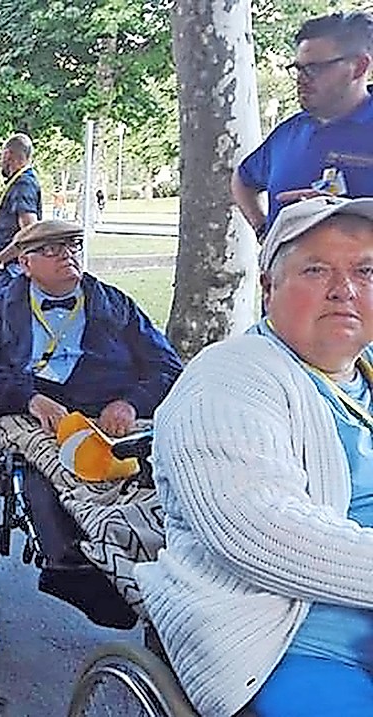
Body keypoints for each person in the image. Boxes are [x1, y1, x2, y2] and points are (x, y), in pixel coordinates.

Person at [136, 197, 373, 716]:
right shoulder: (228, 378)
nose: (345, 289)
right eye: (316, 270)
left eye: (366, 270)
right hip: (288, 640)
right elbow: (258, 531)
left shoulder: (364, 370)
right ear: (267, 288)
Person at [0, 219, 181, 619]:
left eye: (73, 246)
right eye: (52, 249)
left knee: (152, 463)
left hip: (108, 411)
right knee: (57, 460)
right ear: (25, 263)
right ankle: (74, 558)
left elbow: (166, 365)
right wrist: (27, 398)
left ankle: (152, 549)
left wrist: (131, 402)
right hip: (34, 411)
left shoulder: (114, 304)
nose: (67, 255)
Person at [232, 11, 373, 238]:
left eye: (314, 68)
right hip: (286, 272)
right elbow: (242, 180)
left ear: (359, 67)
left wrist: (342, 211)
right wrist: (263, 230)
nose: (301, 78)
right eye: (298, 68)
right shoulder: (287, 133)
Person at [0, 134, 43, 294]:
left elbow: (29, 230)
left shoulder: (23, 184)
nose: (0, 162)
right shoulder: (21, 182)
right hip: (12, 265)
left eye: (1, 155)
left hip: (12, 268)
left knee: (8, 314)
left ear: (8, 154)